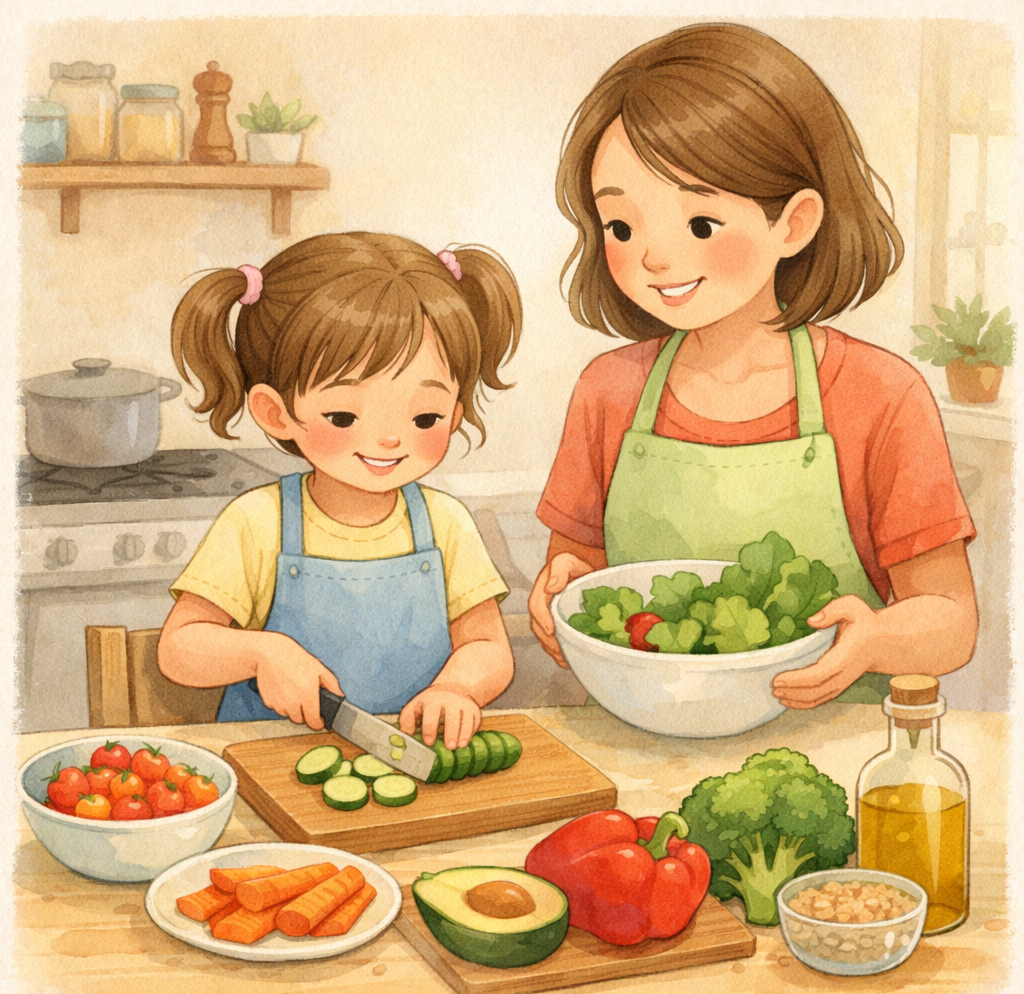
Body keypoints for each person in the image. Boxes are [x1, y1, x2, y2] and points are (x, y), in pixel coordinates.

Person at [529, 23, 978, 708]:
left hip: (832, 742)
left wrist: (874, 642)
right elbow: (579, 571)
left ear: (794, 223)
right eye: (622, 226)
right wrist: (558, 589)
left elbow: (951, 620)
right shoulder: (607, 392)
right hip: (643, 738)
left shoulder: (881, 395)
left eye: (700, 223)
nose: (653, 257)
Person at [158, 232, 521, 748]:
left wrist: (459, 688)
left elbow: (487, 644)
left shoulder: (446, 523)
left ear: (455, 412)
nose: (390, 438)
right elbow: (178, 649)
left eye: (425, 416)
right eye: (344, 414)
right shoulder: (257, 521)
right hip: (269, 763)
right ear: (276, 412)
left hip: (409, 761)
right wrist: (264, 653)